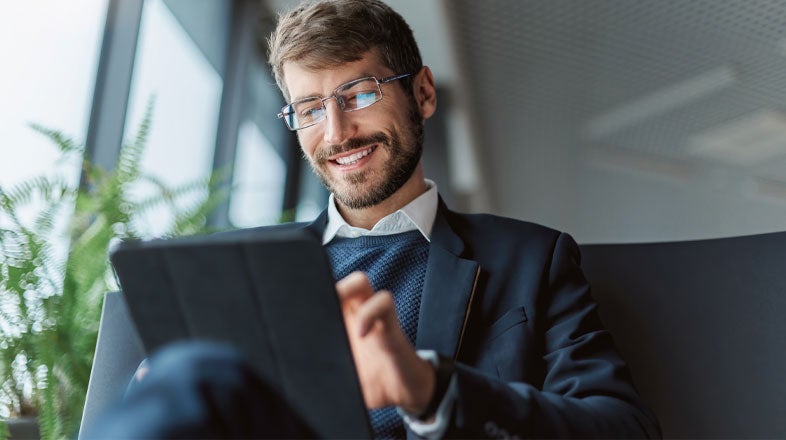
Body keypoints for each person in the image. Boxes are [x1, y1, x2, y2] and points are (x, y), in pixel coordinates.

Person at [86, 0, 661, 438]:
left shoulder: (531, 260)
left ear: (423, 93)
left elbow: (621, 427)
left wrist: (432, 388)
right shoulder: (238, 269)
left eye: (358, 94)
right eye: (310, 109)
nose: (336, 134)